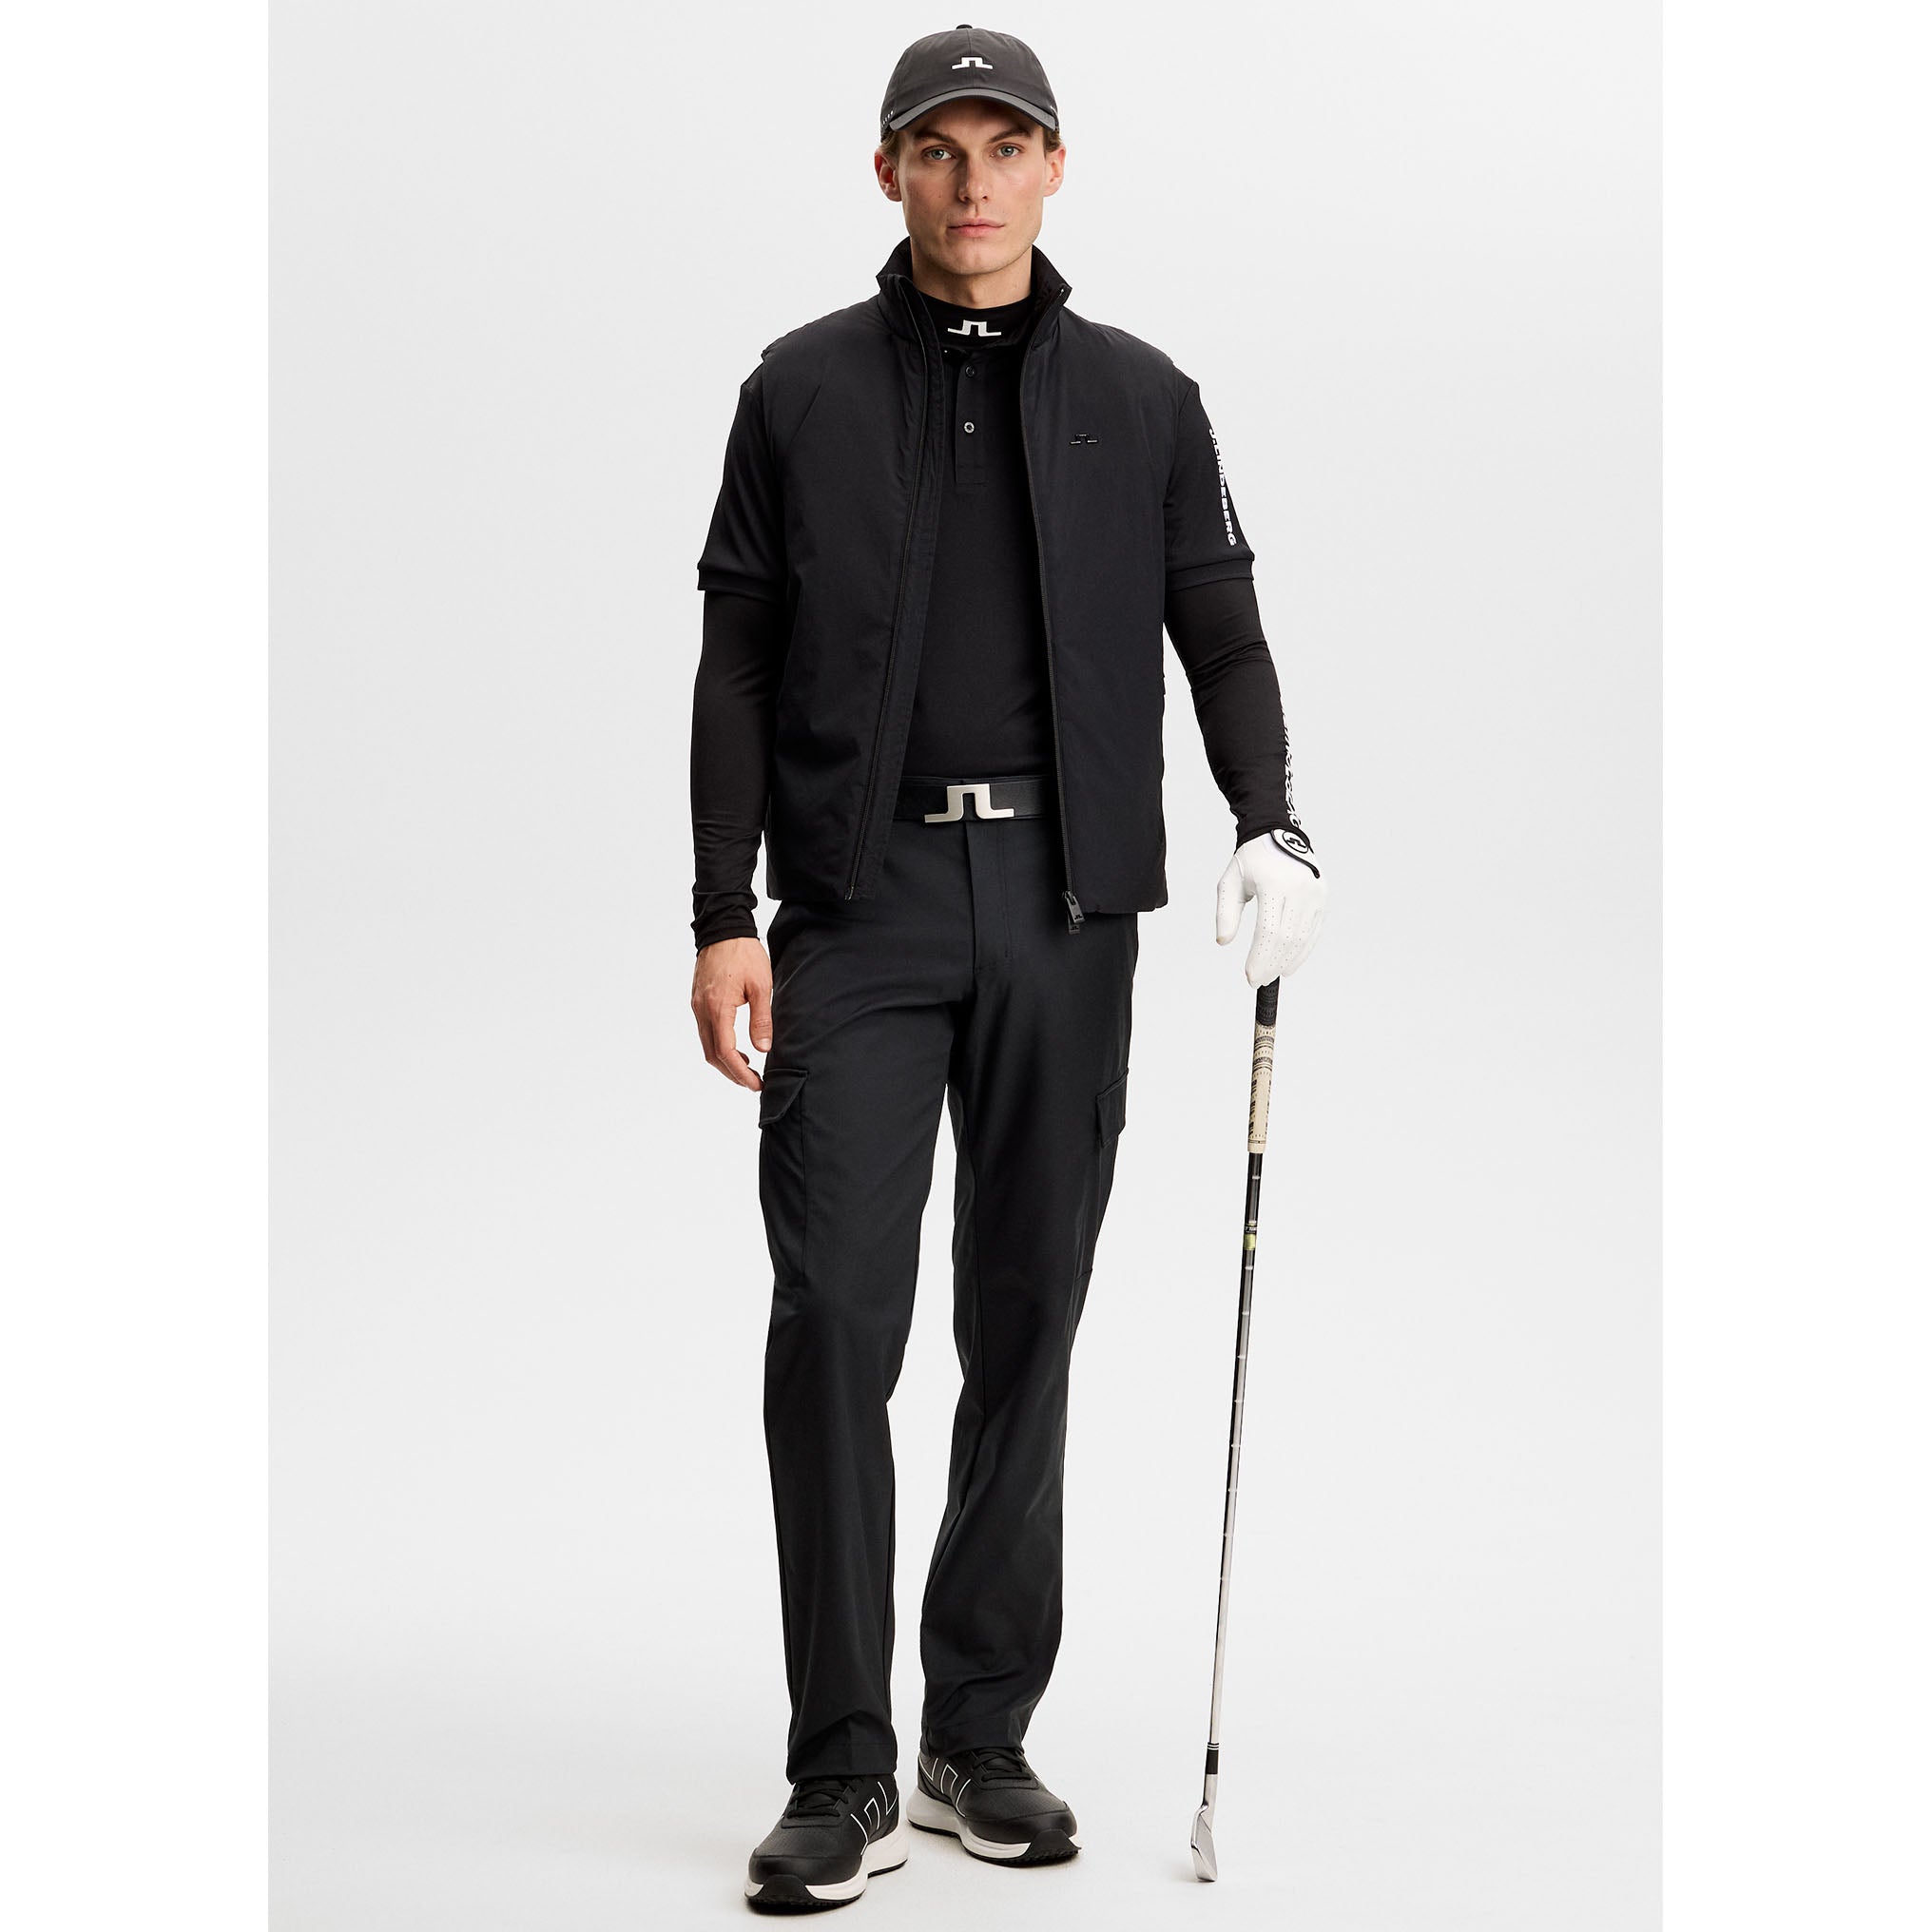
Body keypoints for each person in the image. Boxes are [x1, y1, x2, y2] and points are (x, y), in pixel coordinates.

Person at [687, 25, 1326, 1911]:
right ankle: (841, 1763)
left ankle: (977, 1729)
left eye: (1006, 146)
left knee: (1027, 1313)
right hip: (858, 903)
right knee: (835, 1315)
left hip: (1065, 904)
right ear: (887, 170)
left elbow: (1217, 628)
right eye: (939, 148)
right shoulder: (797, 390)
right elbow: (735, 663)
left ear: (1055, 167)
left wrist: (1272, 821)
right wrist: (720, 908)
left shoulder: (1143, 397)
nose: (974, 183)